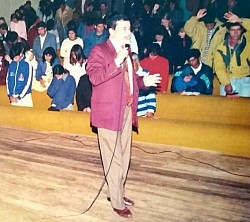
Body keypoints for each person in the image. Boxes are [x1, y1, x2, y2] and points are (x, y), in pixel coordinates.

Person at [86, 14, 161, 218]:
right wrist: (117, 61)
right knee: (114, 159)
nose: (129, 32)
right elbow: (94, 77)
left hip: (127, 110)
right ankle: (117, 201)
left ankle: (116, 191)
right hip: (109, 112)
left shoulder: (126, 52)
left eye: (129, 29)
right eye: (124, 29)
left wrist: (144, 82)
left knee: (125, 156)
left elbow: (129, 80)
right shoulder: (99, 50)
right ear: (111, 31)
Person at [214, 12, 250, 97]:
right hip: (227, 79)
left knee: (245, 109)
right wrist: (226, 83)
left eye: (238, 30)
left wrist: (240, 20)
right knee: (225, 108)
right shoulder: (220, 47)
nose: (236, 33)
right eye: (233, 30)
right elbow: (219, 67)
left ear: (242, 30)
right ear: (228, 30)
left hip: (246, 79)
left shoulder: (248, 39)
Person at [6, 42, 33, 107]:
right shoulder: (12, 64)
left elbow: (28, 83)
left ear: (20, 54)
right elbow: (8, 80)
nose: (14, 60)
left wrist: (19, 97)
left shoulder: (27, 65)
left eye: (15, 57)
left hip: (24, 98)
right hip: (13, 98)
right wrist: (10, 95)